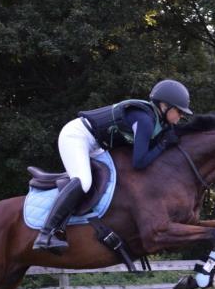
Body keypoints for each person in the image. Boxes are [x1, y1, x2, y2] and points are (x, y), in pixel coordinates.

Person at [33, 79, 193, 252]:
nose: (181, 116)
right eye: (179, 111)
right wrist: (163, 145)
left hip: (96, 145)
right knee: (84, 182)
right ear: (164, 106)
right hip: (77, 136)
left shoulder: (157, 121)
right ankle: (45, 234)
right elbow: (139, 162)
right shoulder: (145, 119)